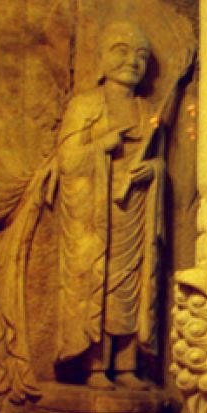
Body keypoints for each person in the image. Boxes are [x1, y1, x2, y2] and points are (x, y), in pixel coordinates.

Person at [52, 20, 163, 389]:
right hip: (95, 212)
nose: (132, 61)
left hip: (135, 210)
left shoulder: (146, 109)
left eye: (141, 55)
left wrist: (154, 170)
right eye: (121, 51)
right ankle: (96, 367)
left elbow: (158, 160)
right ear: (101, 58)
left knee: (130, 286)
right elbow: (68, 160)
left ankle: (127, 366)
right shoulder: (85, 105)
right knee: (96, 284)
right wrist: (101, 145)